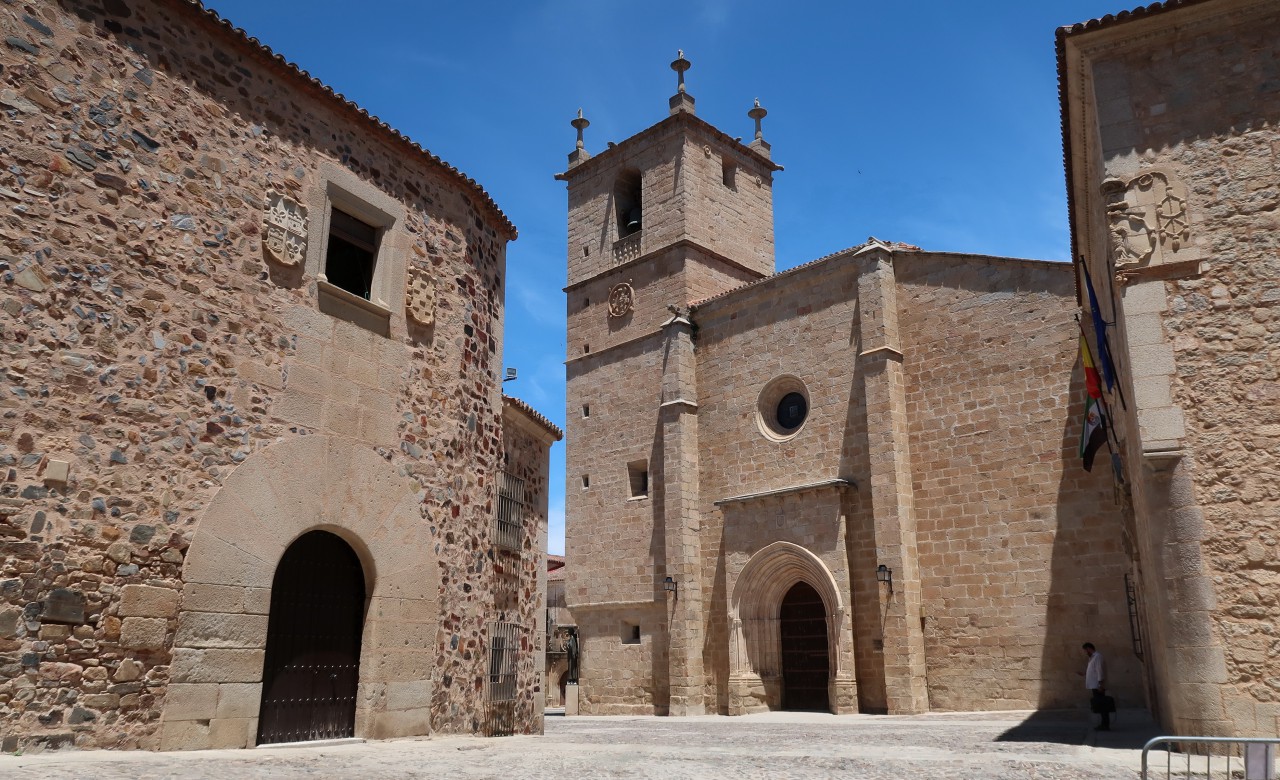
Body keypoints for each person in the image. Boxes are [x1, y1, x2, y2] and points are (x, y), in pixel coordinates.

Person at [1082, 642, 1110, 730]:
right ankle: (1103, 724)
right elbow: (1093, 671)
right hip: (1095, 685)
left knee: (1102, 706)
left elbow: (1099, 671)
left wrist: (1100, 685)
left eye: (1085, 650)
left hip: (1097, 686)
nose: (1085, 652)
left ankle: (1105, 725)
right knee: (1100, 706)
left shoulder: (1097, 657)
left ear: (1089, 648)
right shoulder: (1092, 658)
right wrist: (1084, 674)